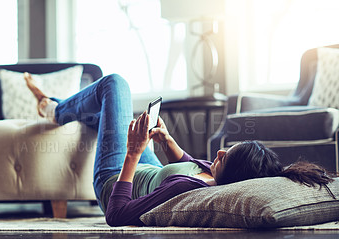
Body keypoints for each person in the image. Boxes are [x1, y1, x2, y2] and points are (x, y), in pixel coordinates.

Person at [24, 73, 336, 227]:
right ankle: (67, 110)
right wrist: (168, 142)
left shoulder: (186, 187)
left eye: (227, 156)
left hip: (115, 180)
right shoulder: (212, 177)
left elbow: (116, 216)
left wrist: (133, 152)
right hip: (150, 168)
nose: (221, 152)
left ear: (234, 177)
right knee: (109, 117)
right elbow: (189, 164)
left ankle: (53, 109)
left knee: (114, 86)